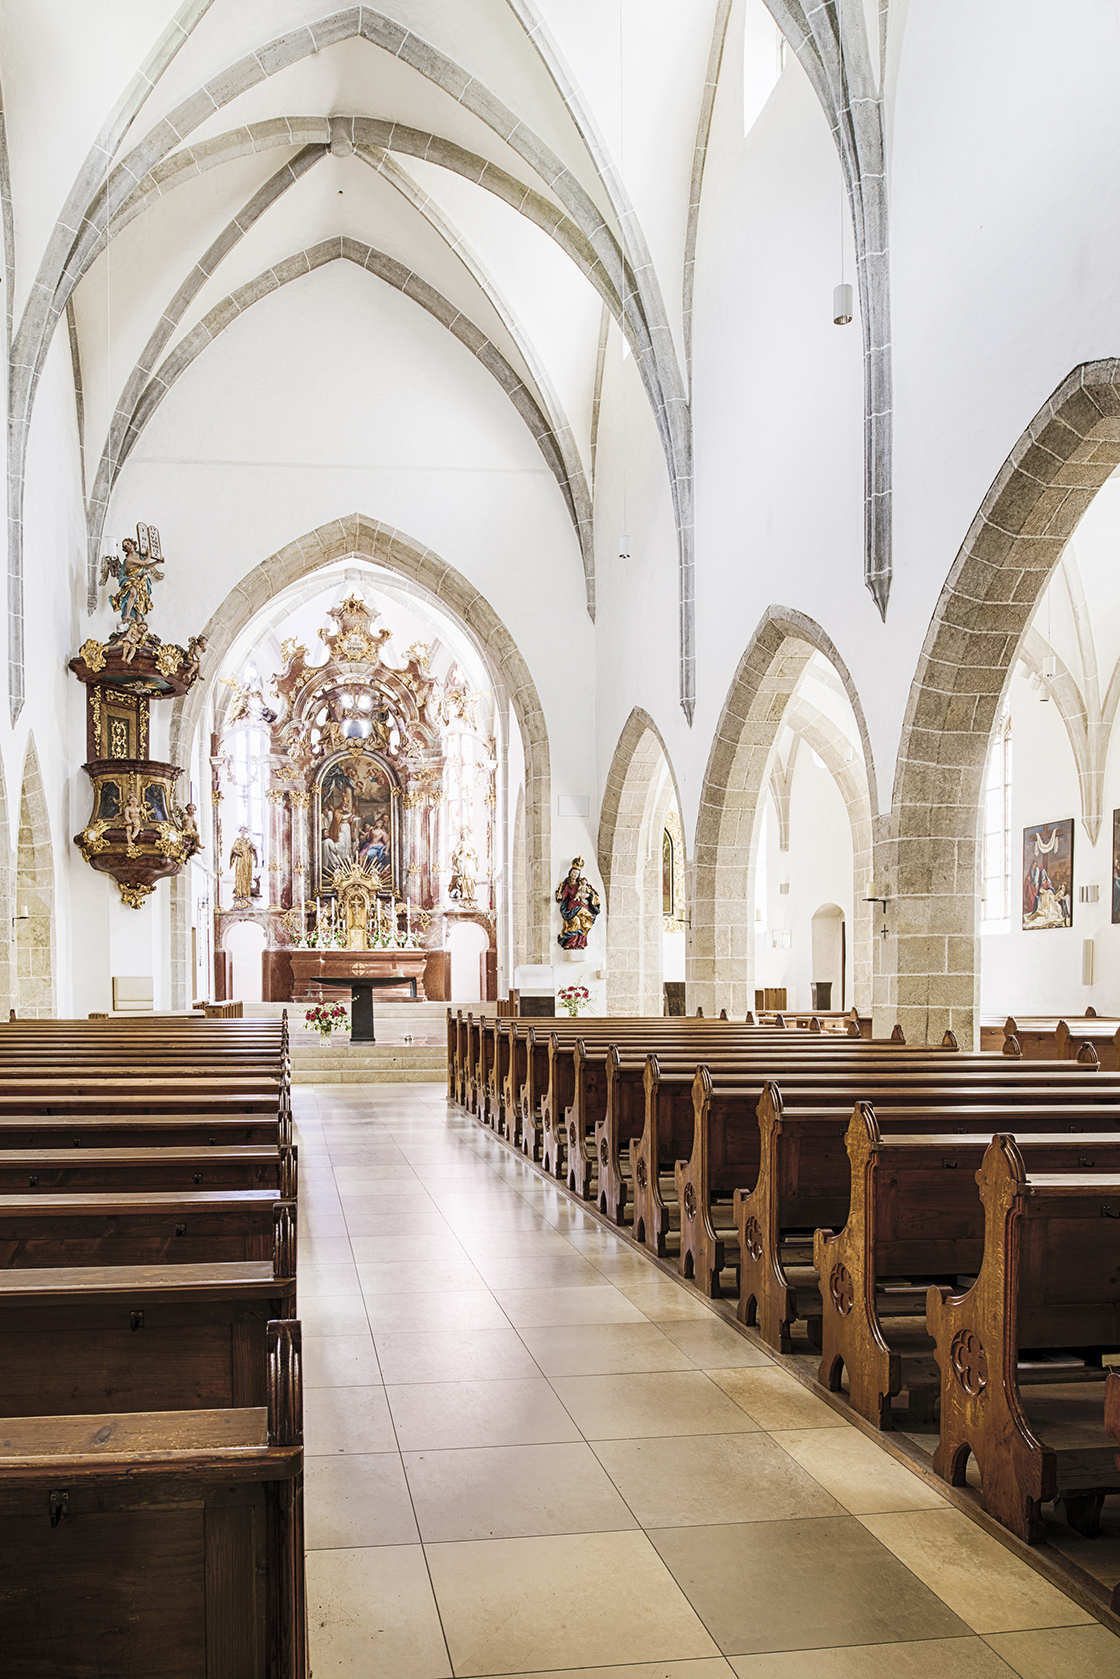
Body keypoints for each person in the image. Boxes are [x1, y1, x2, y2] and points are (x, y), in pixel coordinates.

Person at [555, 856, 600, 949]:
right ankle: (571, 942)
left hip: (583, 905)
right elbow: (564, 894)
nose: (575, 875)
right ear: (570, 873)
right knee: (576, 922)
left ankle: (580, 943)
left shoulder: (581, 884)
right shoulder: (568, 885)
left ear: (578, 875)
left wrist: (588, 896)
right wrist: (560, 896)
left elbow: (590, 893)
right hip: (573, 907)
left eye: (577, 874)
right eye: (573, 873)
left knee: (583, 923)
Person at [230, 827, 258, 902]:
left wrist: (254, 847)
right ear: (239, 832)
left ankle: (246, 892)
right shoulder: (237, 840)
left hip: (247, 858)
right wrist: (236, 851)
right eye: (242, 831)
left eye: (244, 831)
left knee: (246, 874)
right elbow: (233, 849)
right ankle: (239, 892)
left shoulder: (248, 840)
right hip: (240, 858)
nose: (243, 832)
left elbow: (252, 847)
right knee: (239, 874)